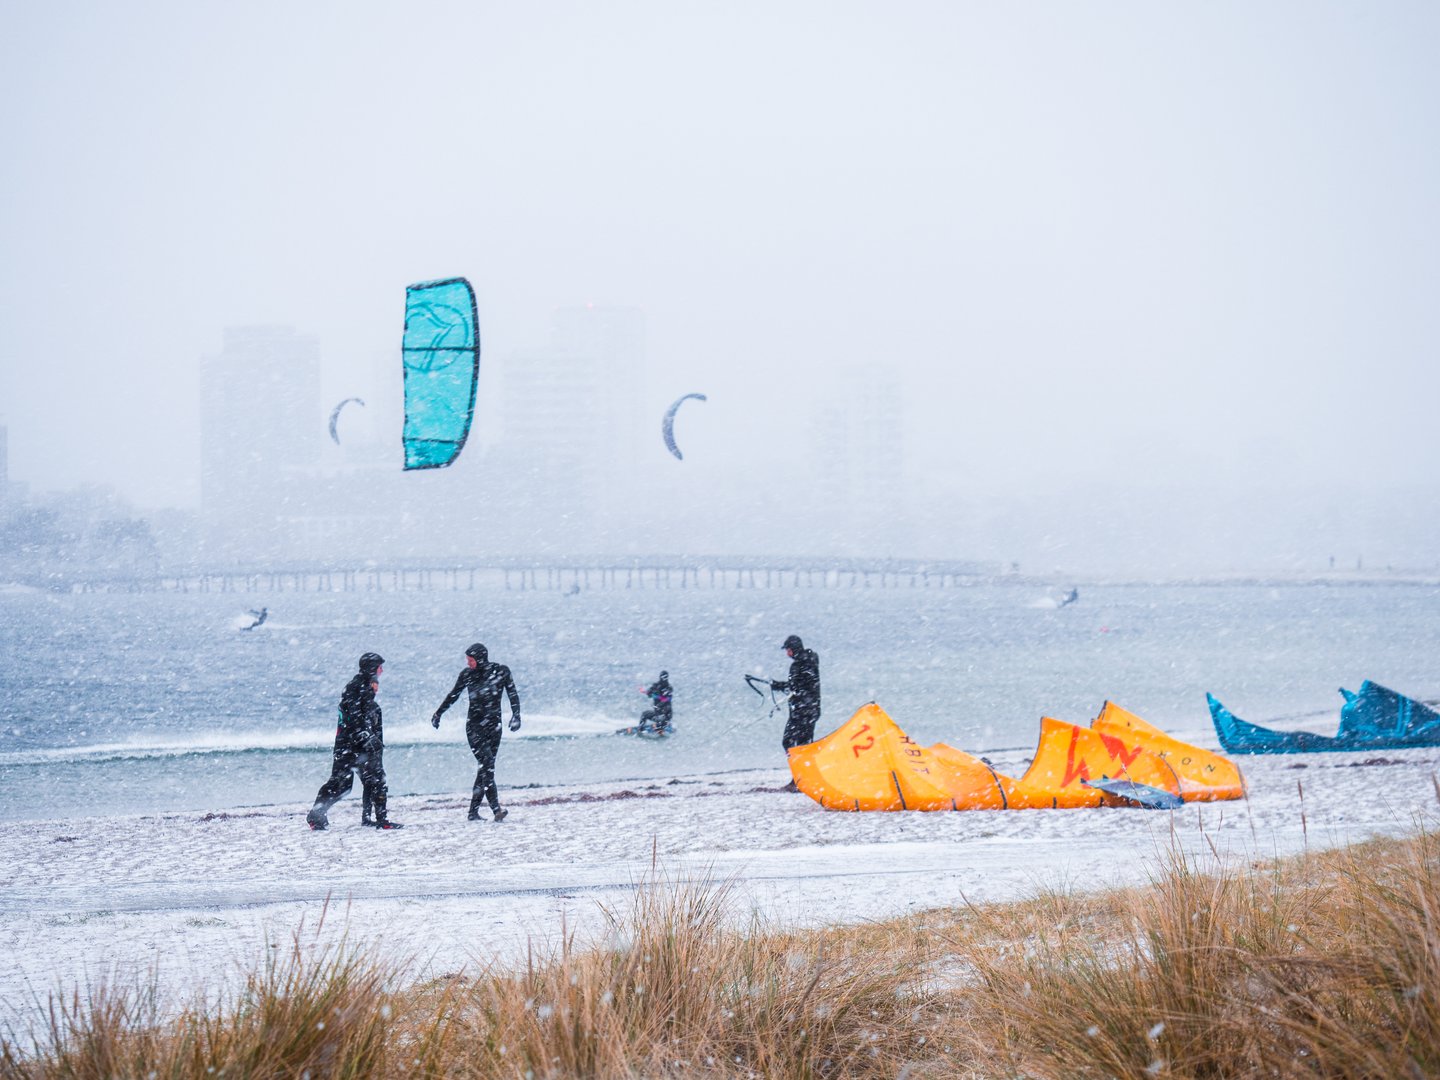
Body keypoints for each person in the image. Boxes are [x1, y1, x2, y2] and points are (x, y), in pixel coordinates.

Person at [306, 652, 401, 830]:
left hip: (358, 747)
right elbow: (353, 717)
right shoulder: (355, 687)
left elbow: (364, 719)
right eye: (379, 667)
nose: (382, 671)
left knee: (375, 780)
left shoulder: (367, 693)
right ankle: (316, 814)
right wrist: (365, 735)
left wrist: (373, 741)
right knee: (341, 785)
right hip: (350, 747)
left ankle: (374, 819)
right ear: (371, 669)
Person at [432, 643, 521, 821]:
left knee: (484, 769)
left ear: (480, 659)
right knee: (487, 766)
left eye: (470, 660)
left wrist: (516, 715)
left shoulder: (501, 671)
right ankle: (496, 809)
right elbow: (453, 695)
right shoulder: (467, 675)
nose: (468, 663)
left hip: (494, 727)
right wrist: (439, 713)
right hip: (474, 727)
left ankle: (473, 812)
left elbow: (512, 693)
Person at [772, 635, 820, 790]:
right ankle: (803, 779)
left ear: (793, 649)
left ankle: (800, 780)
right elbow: (800, 685)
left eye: (788, 650)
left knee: (790, 743)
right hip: (811, 710)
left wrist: (781, 686)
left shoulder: (800, 664)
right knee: (803, 745)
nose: (787, 653)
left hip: (802, 711)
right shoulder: (810, 660)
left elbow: (797, 688)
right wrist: (780, 685)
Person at [637, 671, 674, 735]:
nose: (664, 679)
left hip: (665, 714)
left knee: (661, 719)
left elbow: (666, 700)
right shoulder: (656, 685)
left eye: (665, 678)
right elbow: (649, 694)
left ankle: (661, 728)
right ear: (660, 677)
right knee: (644, 714)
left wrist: (659, 704)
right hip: (657, 713)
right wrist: (647, 692)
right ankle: (640, 730)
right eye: (663, 677)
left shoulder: (669, 688)